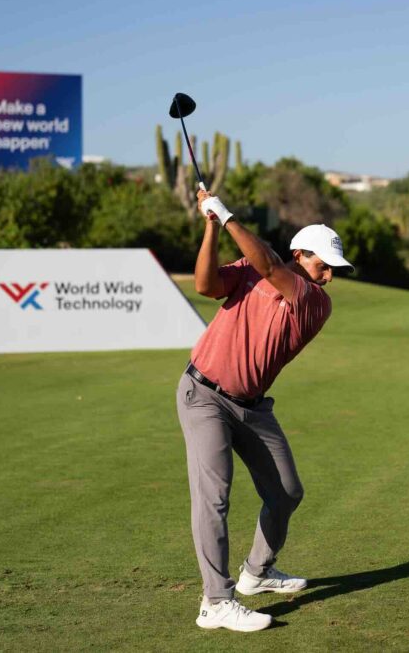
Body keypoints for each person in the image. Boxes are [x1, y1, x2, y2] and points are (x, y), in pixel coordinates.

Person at [175, 187, 352, 633]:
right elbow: (205, 285)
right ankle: (216, 602)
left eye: (333, 269)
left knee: (286, 492)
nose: (328, 275)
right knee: (214, 498)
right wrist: (212, 227)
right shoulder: (250, 273)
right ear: (301, 253)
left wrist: (227, 213)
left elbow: (269, 264)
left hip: (252, 408)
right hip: (204, 396)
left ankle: (256, 574)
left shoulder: (314, 302)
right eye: (322, 265)